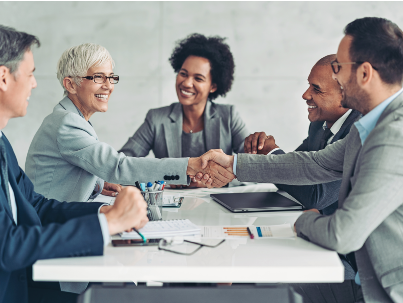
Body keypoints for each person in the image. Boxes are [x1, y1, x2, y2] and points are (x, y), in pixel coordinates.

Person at [199, 17, 403, 303]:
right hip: (364, 284)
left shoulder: (394, 136)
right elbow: (315, 164)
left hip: (385, 293)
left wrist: (304, 222)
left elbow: (342, 234)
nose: (338, 77)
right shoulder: (369, 126)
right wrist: (234, 163)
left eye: (338, 68)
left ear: (365, 73)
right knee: (250, 291)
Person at [0, 25, 149, 303]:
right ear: (3, 78)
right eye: (30, 74)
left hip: (24, 279)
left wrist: (104, 212)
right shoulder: (64, 122)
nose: (34, 83)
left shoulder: (1, 143)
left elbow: (37, 205)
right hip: (17, 288)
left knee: (127, 289)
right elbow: (7, 246)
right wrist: (108, 223)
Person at [25, 42, 234, 205]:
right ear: (70, 84)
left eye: (111, 78)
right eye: (98, 77)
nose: (108, 86)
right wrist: (190, 165)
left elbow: (73, 170)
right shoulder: (67, 123)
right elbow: (118, 165)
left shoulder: (70, 118)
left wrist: (98, 184)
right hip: (48, 224)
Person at [119, 34, 249, 188]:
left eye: (198, 78)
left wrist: (214, 182)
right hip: (171, 209)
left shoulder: (229, 117)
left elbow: (253, 171)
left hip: (219, 208)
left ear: (213, 86)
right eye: (183, 74)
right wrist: (166, 179)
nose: (186, 83)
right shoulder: (157, 119)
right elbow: (122, 165)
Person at [244, 54, 361, 215]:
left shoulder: (360, 132)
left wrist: (271, 153)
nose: (305, 95)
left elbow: (316, 196)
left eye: (316, 89)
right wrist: (264, 150)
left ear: (345, 96)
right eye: (308, 85)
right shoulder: (318, 125)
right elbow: (291, 174)